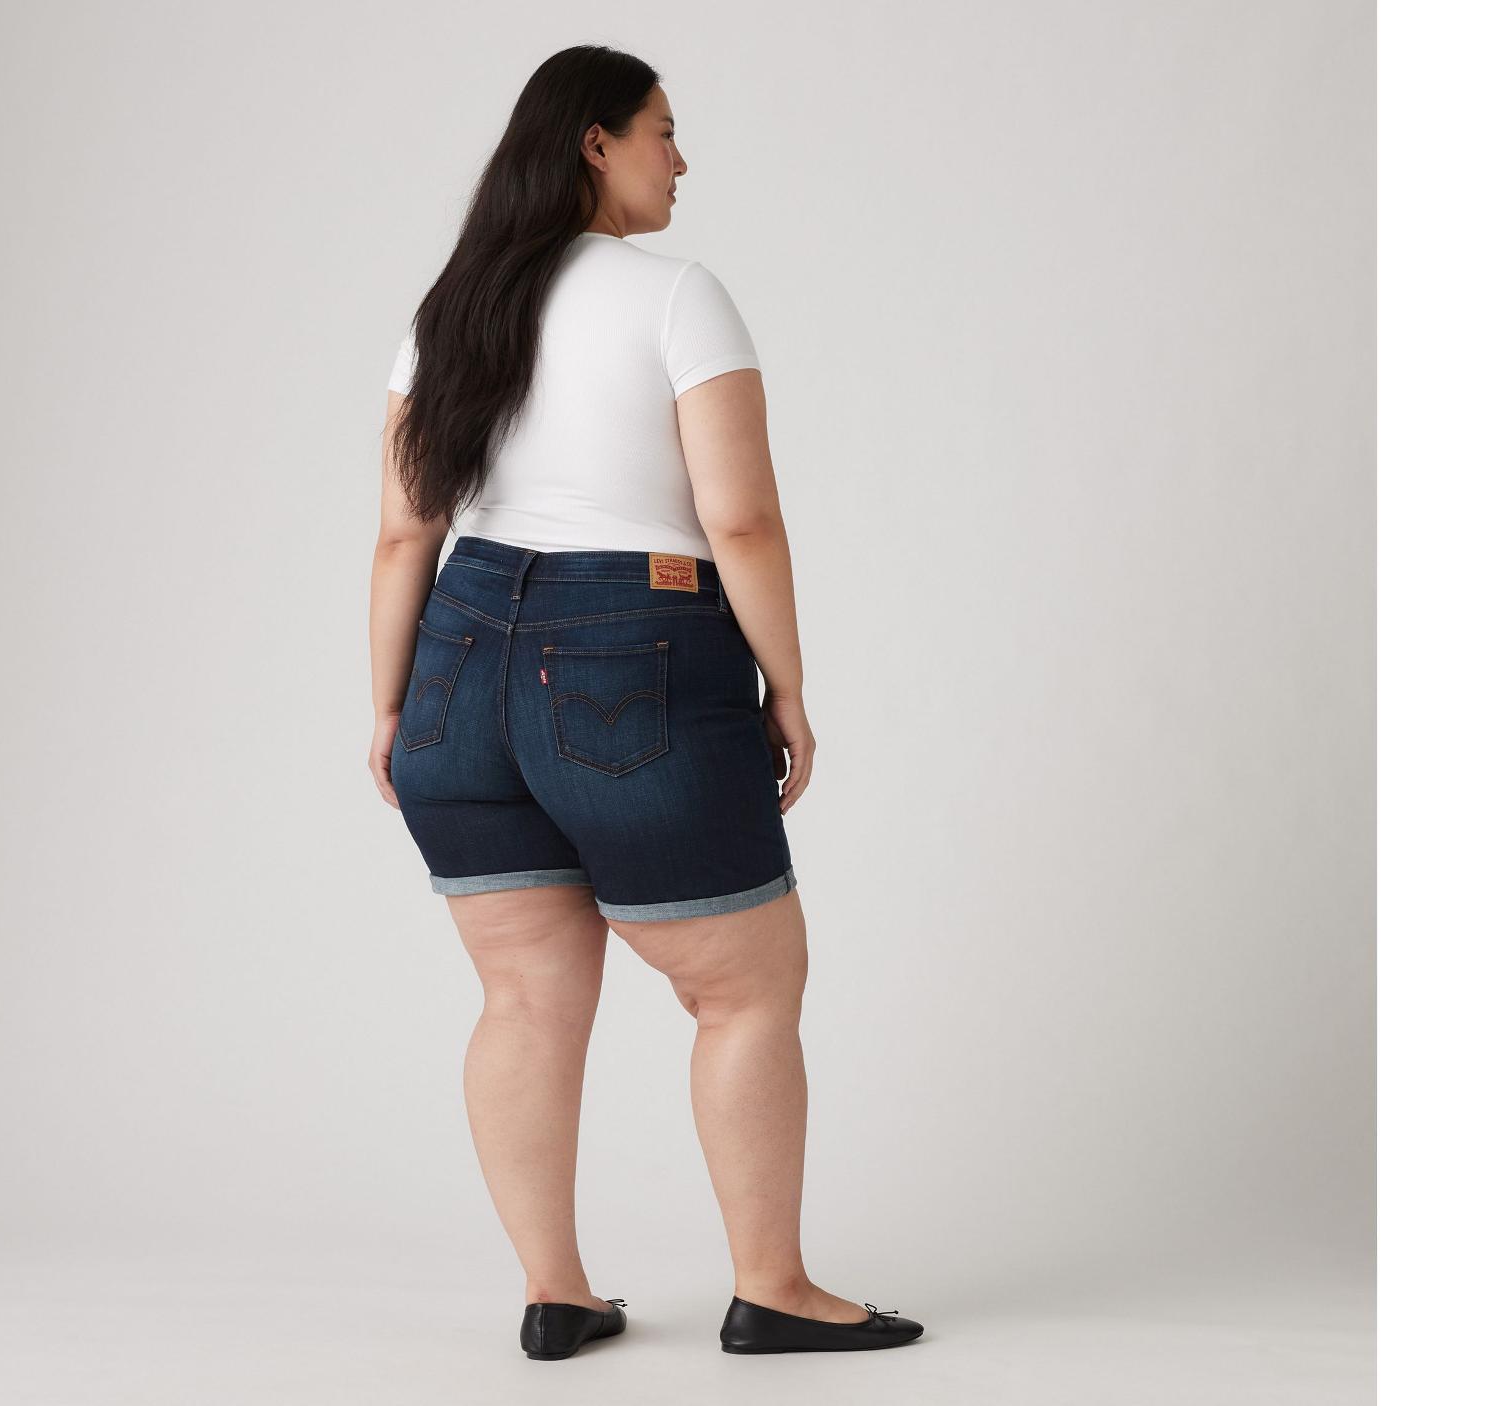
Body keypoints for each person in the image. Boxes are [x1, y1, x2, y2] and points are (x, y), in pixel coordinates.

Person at [365, 45, 923, 1361]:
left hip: (455, 666)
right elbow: (742, 517)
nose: (682, 159)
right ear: (596, 142)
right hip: (635, 649)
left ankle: (555, 1292)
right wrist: (788, 685)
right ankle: (773, 1289)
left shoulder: (449, 313)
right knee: (746, 990)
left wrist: (390, 709)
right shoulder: (677, 297)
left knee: (522, 997)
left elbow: (403, 535)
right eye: (664, 131)